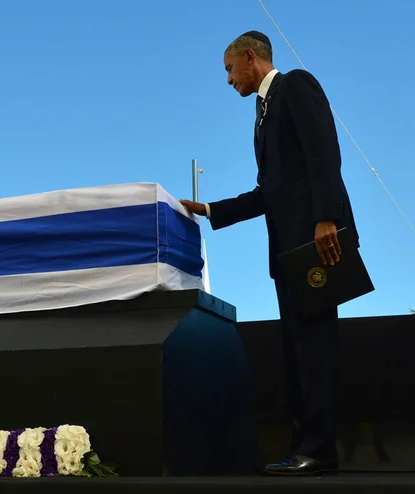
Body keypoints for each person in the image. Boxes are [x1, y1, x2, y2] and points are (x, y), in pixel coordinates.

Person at [180, 31, 359, 476]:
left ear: (248, 58)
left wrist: (325, 218)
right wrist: (208, 209)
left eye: (227, 69)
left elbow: (324, 152)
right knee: (298, 350)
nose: (227, 80)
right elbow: (268, 194)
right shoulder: (261, 113)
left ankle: (319, 451)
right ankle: (308, 449)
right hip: (288, 252)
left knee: (315, 348)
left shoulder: (295, 85)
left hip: (316, 242)